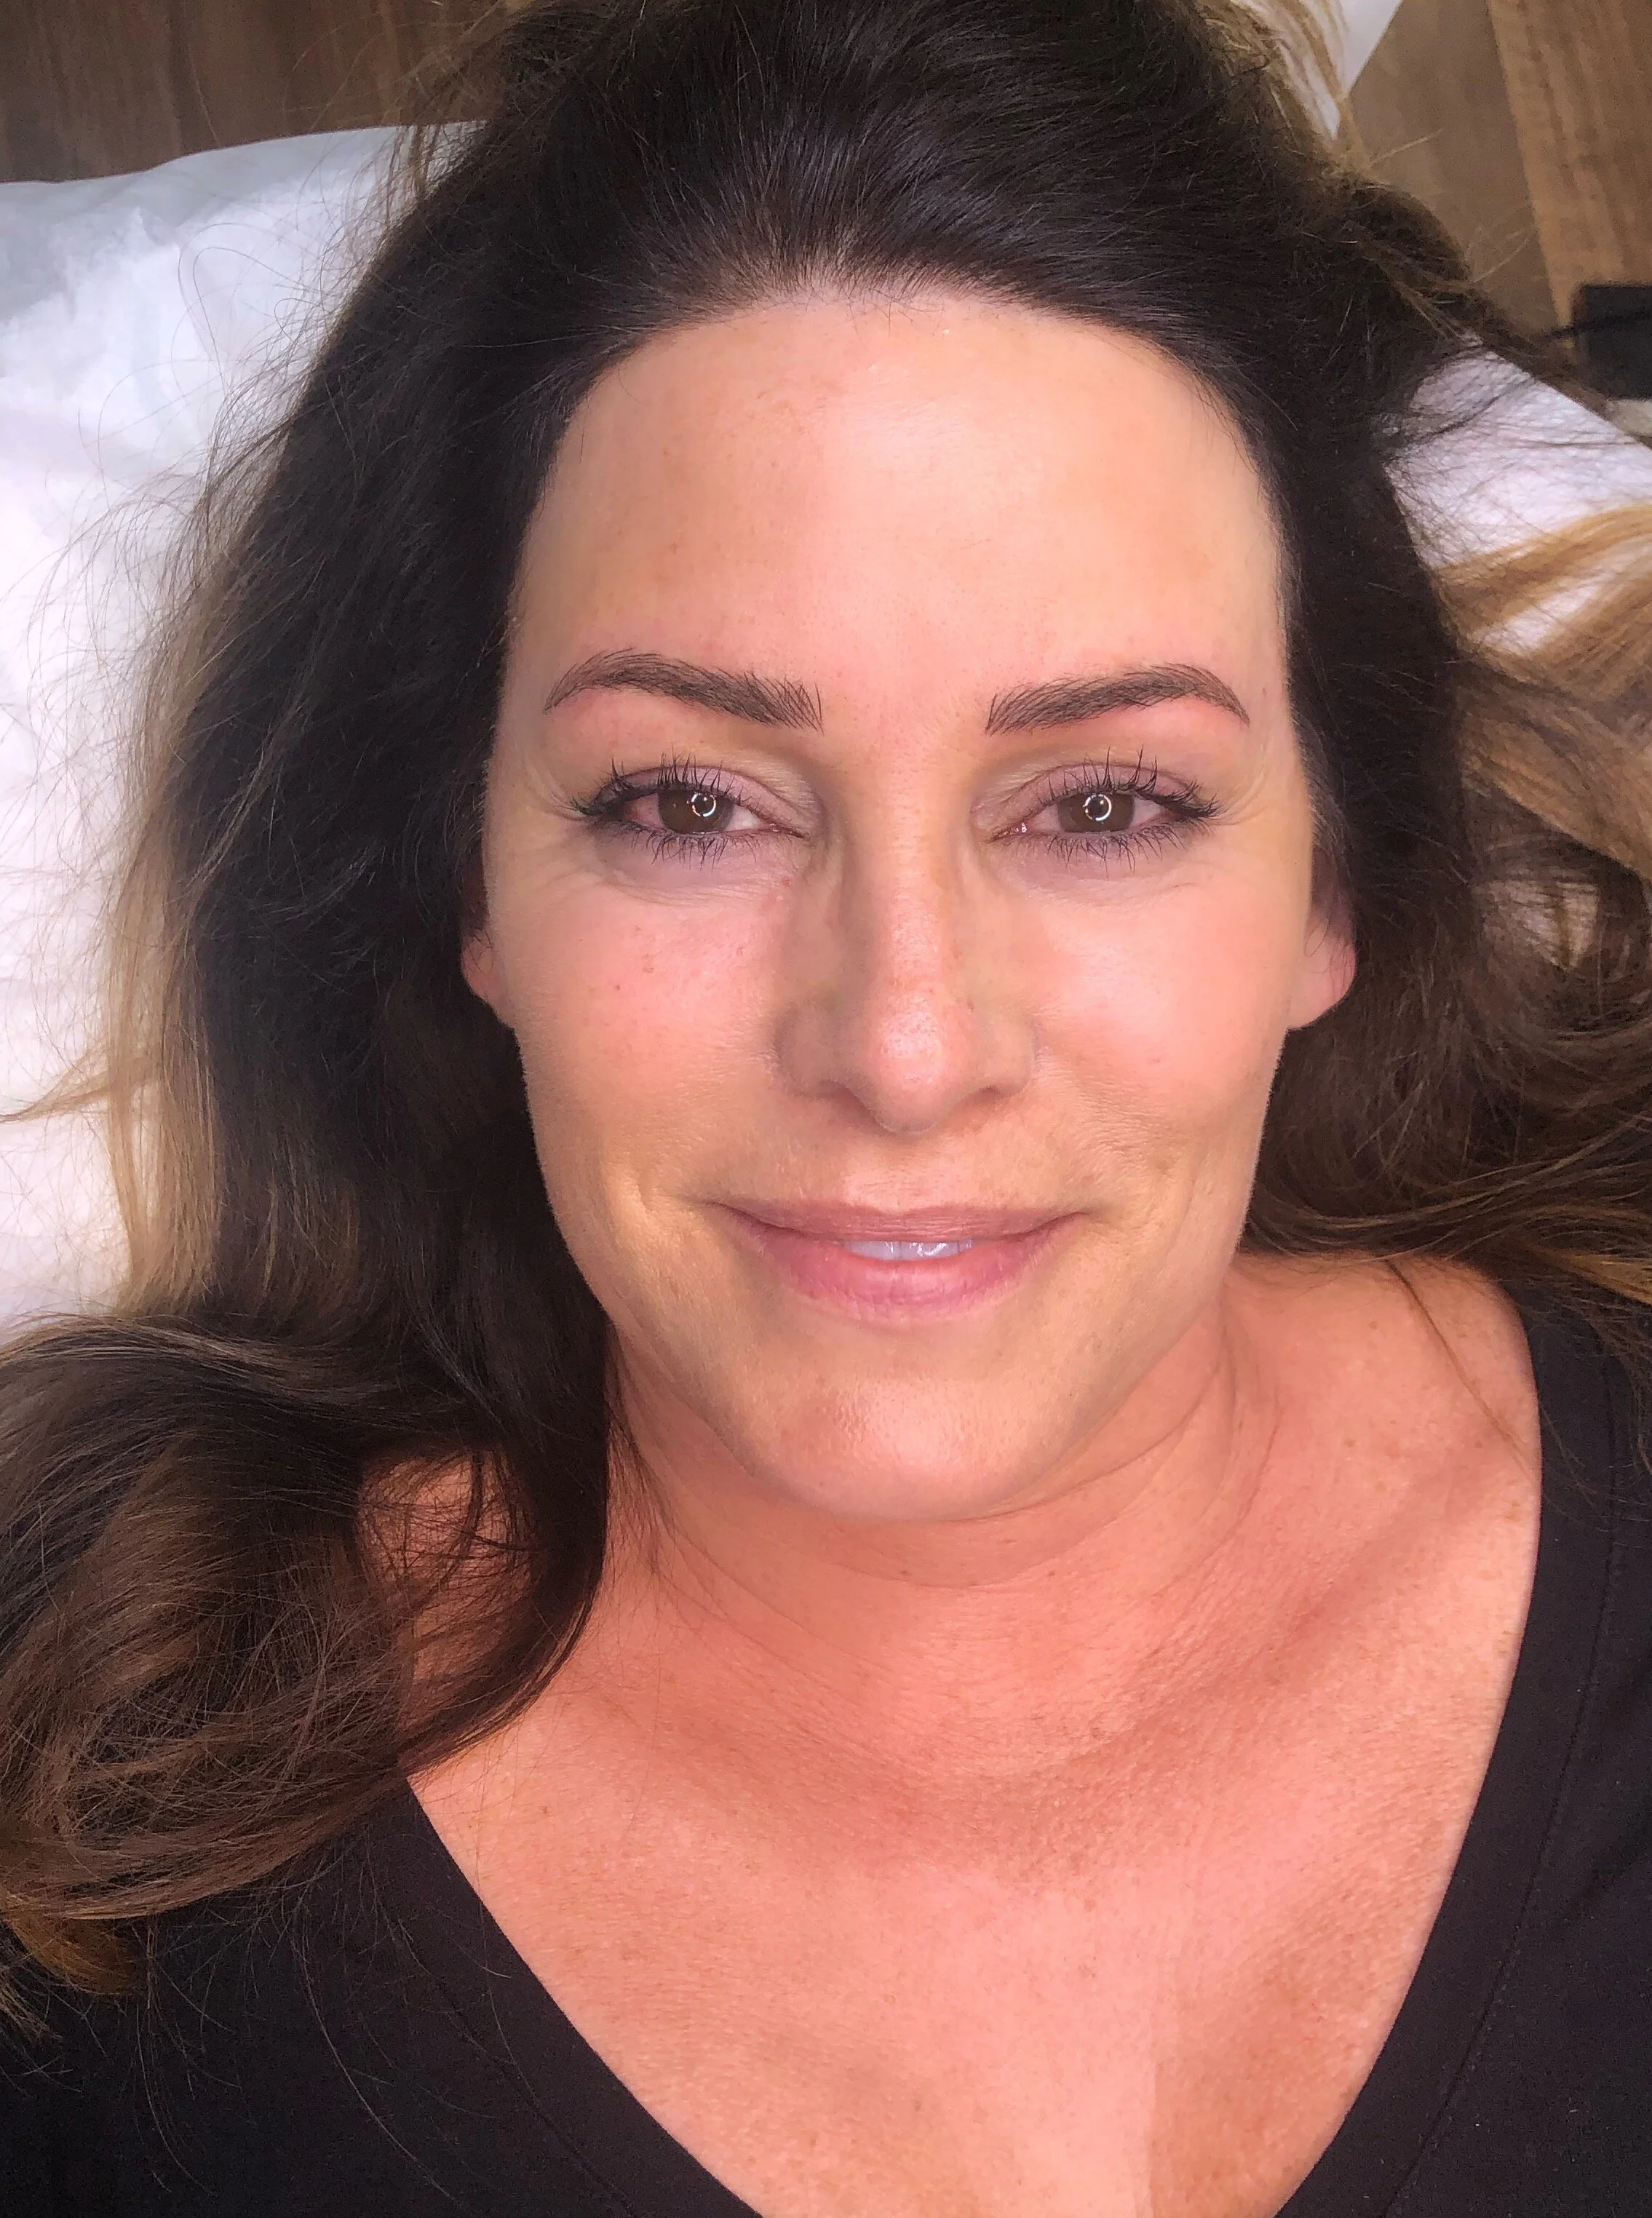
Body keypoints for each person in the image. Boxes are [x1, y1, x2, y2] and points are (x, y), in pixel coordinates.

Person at [4, 0, 1652, 2211]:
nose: (899, 1041)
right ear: (470, 884)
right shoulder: (80, 1794)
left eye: (1102, 800)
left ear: (1331, 890)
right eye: (689, 802)